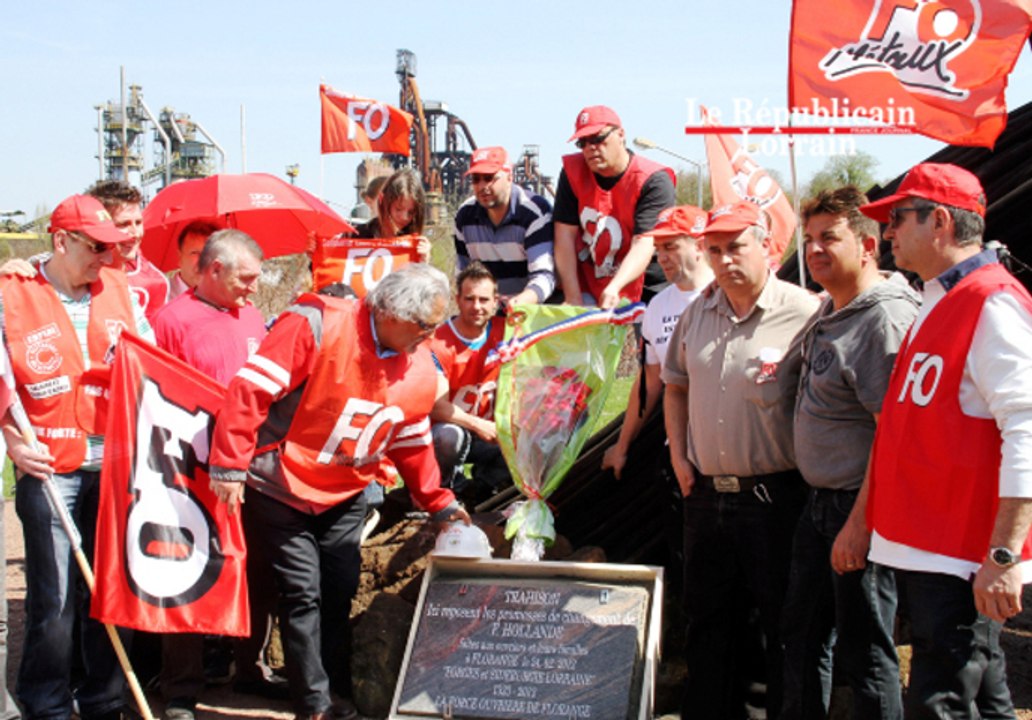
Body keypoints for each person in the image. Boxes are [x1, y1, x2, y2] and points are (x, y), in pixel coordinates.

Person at [207, 263, 470, 720]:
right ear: (388, 311)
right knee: (301, 591)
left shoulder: (420, 365)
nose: (429, 335)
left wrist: (439, 502)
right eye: (423, 325)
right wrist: (229, 463)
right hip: (281, 483)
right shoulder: (315, 323)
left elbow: (411, 440)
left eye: (433, 325)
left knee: (339, 586)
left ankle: (333, 681)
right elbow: (249, 391)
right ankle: (314, 703)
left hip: (345, 491)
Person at [854, 163, 1032, 718]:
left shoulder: (991, 301)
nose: (888, 234)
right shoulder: (938, 298)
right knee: (981, 693)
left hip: (961, 555)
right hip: (932, 546)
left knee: (941, 700)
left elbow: (1026, 425)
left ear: (939, 222)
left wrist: (1002, 554)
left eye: (897, 219)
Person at [662, 201, 818, 719]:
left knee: (781, 626)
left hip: (775, 499)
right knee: (708, 624)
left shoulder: (806, 312)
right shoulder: (696, 312)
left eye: (735, 247)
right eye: (713, 250)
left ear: (767, 247)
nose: (724, 260)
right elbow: (674, 386)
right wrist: (682, 461)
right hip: (706, 498)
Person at [0, 194, 154, 720]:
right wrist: (12, 441)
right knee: (57, 601)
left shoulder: (121, 292)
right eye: (96, 248)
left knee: (110, 594)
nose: (107, 259)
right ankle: (46, 704)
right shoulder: (12, 292)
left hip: (113, 468)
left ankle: (104, 699)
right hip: (52, 469)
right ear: (61, 241)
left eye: (112, 248)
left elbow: (148, 362)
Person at [780, 187, 919, 720]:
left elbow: (896, 435)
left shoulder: (882, 320)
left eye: (828, 238)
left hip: (859, 510)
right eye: (809, 239)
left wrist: (861, 524)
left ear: (866, 245)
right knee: (803, 636)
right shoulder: (834, 309)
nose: (814, 250)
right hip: (819, 505)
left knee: (866, 654)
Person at [151, 230, 276, 720]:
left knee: (258, 569)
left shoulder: (252, 316)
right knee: (188, 570)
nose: (253, 288)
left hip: (252, 465)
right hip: (191, 468)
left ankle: (251, 668)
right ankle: (181, 685)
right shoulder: (171, 321)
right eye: (246, 279)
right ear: (214, 269)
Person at [600, 205, 712, 589]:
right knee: (685, 549)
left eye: (671, 246)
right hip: (677, 449)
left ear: (698, 244)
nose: (662, 257)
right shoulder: (657, 308)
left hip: (728, 449)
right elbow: (650, 385)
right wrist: (622, 445)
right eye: (658, 248)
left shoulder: (724, 293)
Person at [552, 105, 675, 308]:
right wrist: (572, 295)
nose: (591, 147)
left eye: (598, 138)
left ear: (620, 134)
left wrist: (615, 286)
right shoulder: (571, 173)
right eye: (582, 142)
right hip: (592, 281)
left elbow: (644, 243)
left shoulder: (653, 179)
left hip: (647, 284)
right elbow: (564, 235)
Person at [429, 262, 509, 504]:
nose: (477, 307)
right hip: (447, 430)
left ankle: (481, 490)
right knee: (448, 437)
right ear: (457, 300)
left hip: (490, 433)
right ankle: (442, 493)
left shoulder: (507, 332)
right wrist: (479, 425)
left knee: (524, 440)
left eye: (484, 300)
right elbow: (437, 407)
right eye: (469, 299)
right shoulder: (437, 341)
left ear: (496, 301)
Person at [453, 146, 556, 306]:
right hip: (487, 311)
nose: (482, 186)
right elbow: (463, 275)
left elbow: (544, 275)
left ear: (509, 176)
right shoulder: (465, 216)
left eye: (489, 178)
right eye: (476, 179)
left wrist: (519, 302)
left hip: (532, 310)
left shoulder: (534, 213)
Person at [167, 221, 219, 299]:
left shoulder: (226, 297)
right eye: (195, 253)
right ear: (180, 258)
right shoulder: (161, 296)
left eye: (209, 253)